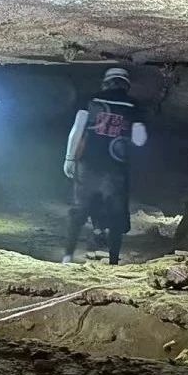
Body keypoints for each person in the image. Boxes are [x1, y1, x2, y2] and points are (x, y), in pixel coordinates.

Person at [63, 67, 147, 265]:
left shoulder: (91, 100)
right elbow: (140, 139)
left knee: (79, 210)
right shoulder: (134, 106)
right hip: (116, 168)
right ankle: (113, 260)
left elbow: (77, 130)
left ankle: (67, 256)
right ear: (126, 84)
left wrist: (69, 158)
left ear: (106, 82)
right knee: (116, 213)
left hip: (88, 165)